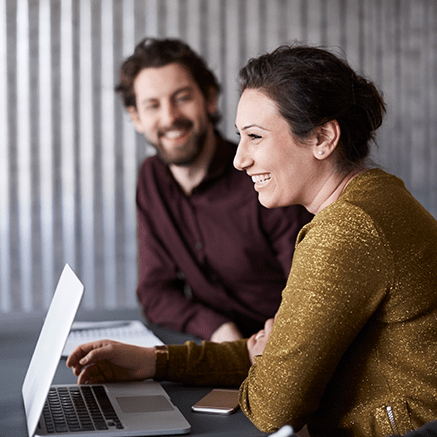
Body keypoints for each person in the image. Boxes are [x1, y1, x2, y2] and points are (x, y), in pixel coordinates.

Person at [67, 44, 437, 437]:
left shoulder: (345, 231)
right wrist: (155, 362)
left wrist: (268, 361)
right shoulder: (375, 196)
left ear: (323, 138)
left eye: (255, 137)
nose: (239, 158)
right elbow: (269, 348)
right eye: (240, 137)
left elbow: (271, 406)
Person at [115, 38, 312, 342]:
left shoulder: (262, 177)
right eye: (153, 105)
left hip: (283, 350)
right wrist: (217, 328)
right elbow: (155, 293)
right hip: (217, 349)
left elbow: (310, 295)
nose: (169, 117)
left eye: (181, 98)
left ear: (210, 99)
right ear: (136, 118)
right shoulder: (151, 179)